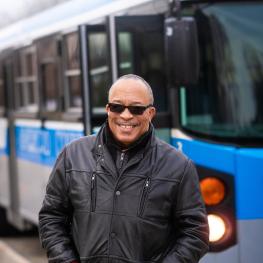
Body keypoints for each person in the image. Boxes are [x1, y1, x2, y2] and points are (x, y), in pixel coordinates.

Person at [39, 74, 209, 263]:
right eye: (117, 107)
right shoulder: (72, 155)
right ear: (108, 110)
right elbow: (51, 217)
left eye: (136, 109)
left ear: (150, 113)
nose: (126, 115)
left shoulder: (179, 166)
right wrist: (67, 261)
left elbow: (195, 233)